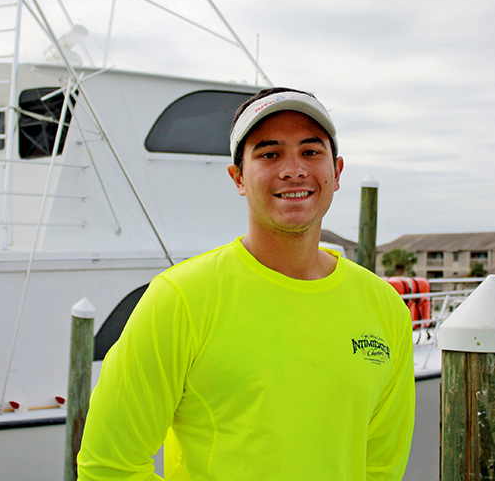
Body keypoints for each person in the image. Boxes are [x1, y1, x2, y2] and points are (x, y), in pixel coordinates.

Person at [77, 87, 415, 480]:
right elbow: (109, 464)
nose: (293, 169)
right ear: (238, 177)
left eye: (311, 151)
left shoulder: (384, 307)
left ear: (336, 172)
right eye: (269, 154)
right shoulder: (181, 298)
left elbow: (381, 466)